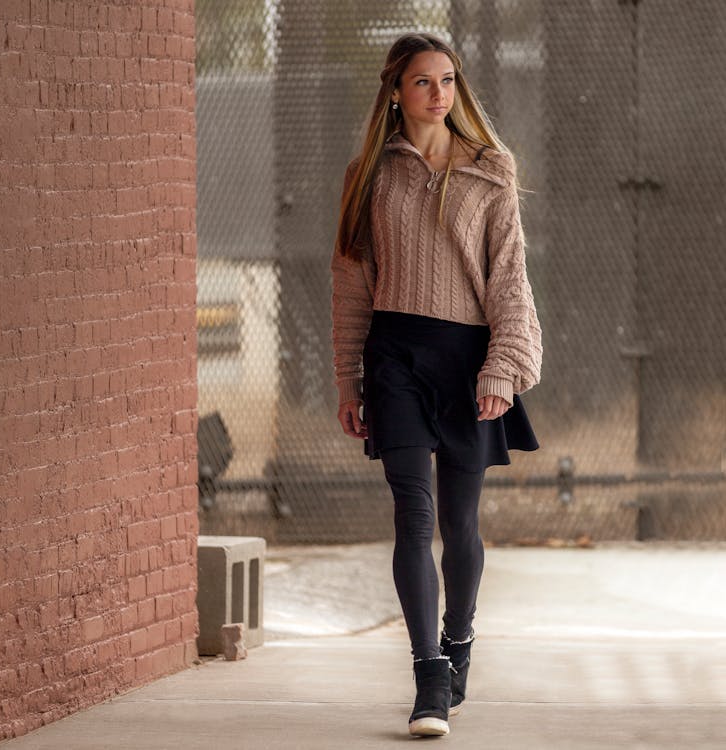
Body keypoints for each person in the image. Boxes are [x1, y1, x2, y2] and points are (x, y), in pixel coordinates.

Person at [330, 32, 543, 737]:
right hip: (394, 357)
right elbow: (352, 286)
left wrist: (501, 368)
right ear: (395, 91)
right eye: (423, 81)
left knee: (459, 520)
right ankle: (428, 678)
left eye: (448, 80)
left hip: (468, 359)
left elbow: (510, 277)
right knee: (413, 515)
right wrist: (348, 380)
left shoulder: (490, 170)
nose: (438, 93)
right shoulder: (369, 175)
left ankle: (459, 648)